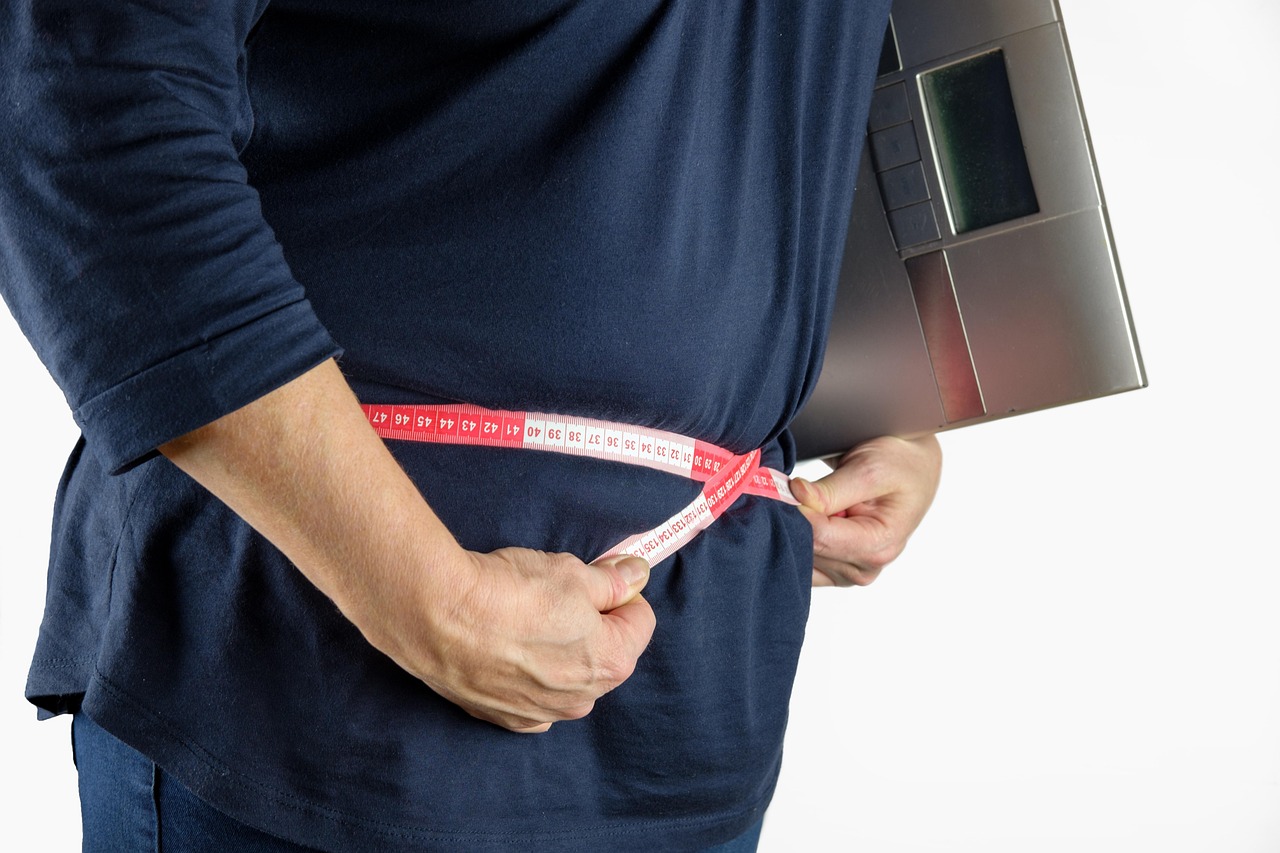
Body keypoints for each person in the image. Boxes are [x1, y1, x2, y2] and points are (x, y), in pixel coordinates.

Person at [0, 1, 942, 850]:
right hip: (303, 710)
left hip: (698, 723)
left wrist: (886, 382)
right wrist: (431, 601)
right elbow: (78, 110)